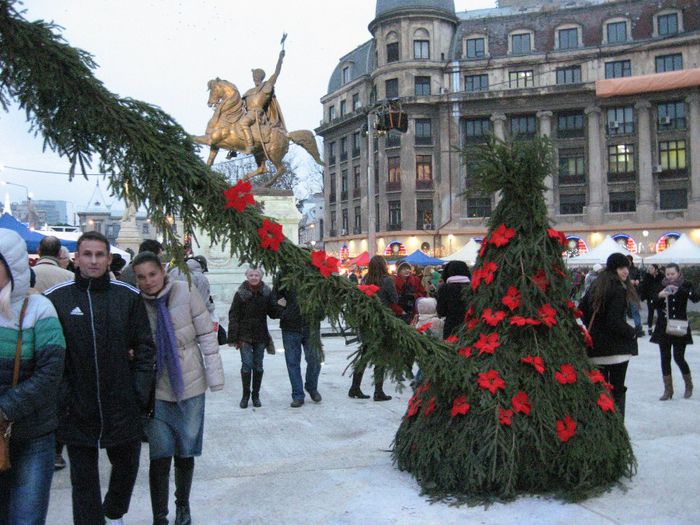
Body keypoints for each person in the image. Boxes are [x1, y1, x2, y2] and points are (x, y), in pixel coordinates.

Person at [44, 231, 155, 525]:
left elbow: (145, 348)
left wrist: (138, 393)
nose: (93, 261)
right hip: (76, 408)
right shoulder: (57, 299)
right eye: (87, 254)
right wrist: (62, 398)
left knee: (127, 466)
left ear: (108, 259)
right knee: (83, 483)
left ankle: (114, 510)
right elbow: (51, 356)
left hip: (122, 404)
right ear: (76, 258)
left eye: (99, 255)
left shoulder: (127, 297)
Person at [132, 251, 224, 525]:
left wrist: (215, 376)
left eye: (152, 274)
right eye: (141, 277)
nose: (148, 282)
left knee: (185, 452)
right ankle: (159, 515)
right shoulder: (136, 303)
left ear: (162, 271)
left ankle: (182, 505)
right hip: (156, 386)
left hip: (189, 383)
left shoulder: (185, 290)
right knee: (160, 455)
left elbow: (207, 334)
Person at [0, 230, 66, 525]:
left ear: (12, 266)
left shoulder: (40, 309)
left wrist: (5, 409)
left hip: (32, 435)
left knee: (25, 517)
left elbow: (50, 373)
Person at [580, 253, 638, 419]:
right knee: (617, 390)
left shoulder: (596, 285)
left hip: (595, 349)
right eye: (621, 268)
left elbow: (582, 310)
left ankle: (602, 428)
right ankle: (617, 429)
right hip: (616, 351)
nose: (625, 271)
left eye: (626, 267)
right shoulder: (618, 289)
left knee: (601, 391)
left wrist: (596, 329)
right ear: (614, 268)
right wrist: (632, 331)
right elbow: (614, 322)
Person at [348, 255, 398, 402]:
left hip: (367, 322)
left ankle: (355, 387)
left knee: (365, 354)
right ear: (383, 266)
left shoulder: (365, 280)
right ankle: (378, 391)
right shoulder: (387, 280)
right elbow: (394, 299)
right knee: (381, 356)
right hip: (382, 322)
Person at [227, 268, 278, 409]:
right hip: (244, 336)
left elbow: (273, 313)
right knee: (246, 366)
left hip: (260, 335)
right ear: (247, 276)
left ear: (261, 277)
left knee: (259, 367)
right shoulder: (240, 294)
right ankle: (245, 395)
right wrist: (232, 337)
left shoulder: (266, 293)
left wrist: (281, 303)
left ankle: (256, 395)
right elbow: (234, 315)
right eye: (251, 275)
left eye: (256, 275)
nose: (254, 277)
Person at [650, 263, 699, 401]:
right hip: (663, 328)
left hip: (679, 327)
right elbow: (652, 303)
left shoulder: (686, 284)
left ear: (678, 273)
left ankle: (689, 385)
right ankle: (668, 390)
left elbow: (695, 298)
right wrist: (660, 295)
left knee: (678, 357)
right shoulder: (661, 285)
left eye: (673, 274)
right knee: (665, 358)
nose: (670, 277)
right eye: (668, 274)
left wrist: (681, 290)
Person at [274, 278, 322, 408]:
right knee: (293, 363)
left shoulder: (314, 273)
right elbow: (275, 298)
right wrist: (284, 313)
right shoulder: (284, 275)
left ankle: (311, 387)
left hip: (311, 325)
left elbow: (323, 296)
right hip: (290, 327)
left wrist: (319, 314)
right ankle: (298, 395)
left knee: (315, 360)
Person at [240, 49, 286, 153]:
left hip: (257, 114)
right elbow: (240, 105)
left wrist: (280, 59)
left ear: (259, 77)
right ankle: (234, 148)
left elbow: (276, 73)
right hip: (247, 113)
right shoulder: (249, 91)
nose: (254, 78)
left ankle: (250, 145)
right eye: (254, 76)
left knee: (243, 123)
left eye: (256, 76)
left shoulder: (266, 86)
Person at [436, 261, 471, 339]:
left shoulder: (444, 288)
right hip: (470, 326)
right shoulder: (472, 287)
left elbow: (441, 311)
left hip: (451, 326)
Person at [639, 264, 664, 336]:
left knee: (660, 313)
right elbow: (644, 287)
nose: (650, 269)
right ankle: (650, 329)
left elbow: (663, 285)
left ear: (656, 269)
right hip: (650, 298)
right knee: (651, 313)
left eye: (652, 268)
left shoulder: (661, 276)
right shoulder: (647, 277)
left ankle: (660, 328)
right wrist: (644, 298)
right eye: (649, 268)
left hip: (659, 297)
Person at [626, 255, 644, 337]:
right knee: (623, 310)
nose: (628, 262)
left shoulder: (635, 269)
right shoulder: (623, 269)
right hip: (624, 292)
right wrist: (630, 281)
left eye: (629, 260)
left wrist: (637, 281)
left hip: (634, 292)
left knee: (635, 310)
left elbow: (639, 279)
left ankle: (638, 327)